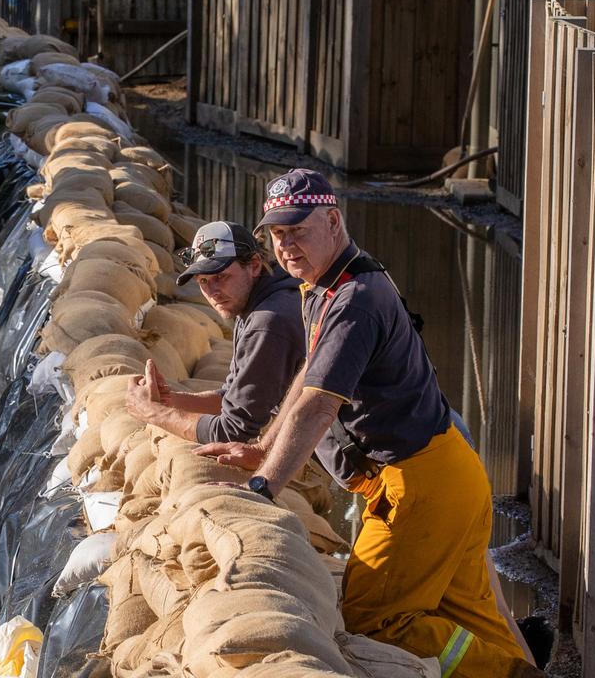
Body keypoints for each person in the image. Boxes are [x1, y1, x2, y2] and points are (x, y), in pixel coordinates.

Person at [194, 169, 539, 678]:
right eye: (277, 234)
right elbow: (310, 372)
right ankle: (510, 666)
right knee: (464, 614)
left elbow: (317, 406)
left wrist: (265, 487)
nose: (286, 246)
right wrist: (265, 447)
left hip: (420, 486)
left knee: (374, 618)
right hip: (445, 475)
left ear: (333, 220)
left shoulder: (353, 300)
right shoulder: (322, 287)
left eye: (298, 230)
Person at [124, 220, 303, 444]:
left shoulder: (268, 321)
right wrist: (167, 399)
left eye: (221, 277)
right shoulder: (256, 303)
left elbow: (234, 430)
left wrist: (154, 413)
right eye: (203, 281)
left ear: (255, 265)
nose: (213, 292)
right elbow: (231, 399)